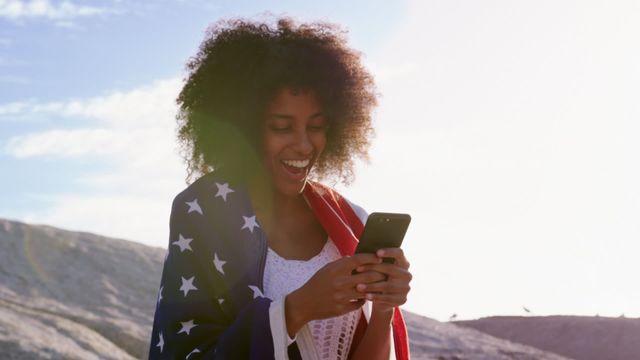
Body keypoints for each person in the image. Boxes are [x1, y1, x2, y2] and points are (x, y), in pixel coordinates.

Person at [148, 17, 412, 360]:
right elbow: (187, 350)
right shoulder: (204, 211)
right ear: (244, 127)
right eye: (281, 127)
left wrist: (383, 311)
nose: (303, 145)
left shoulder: (349, 222)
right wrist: (295, 310)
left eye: (316, 126)